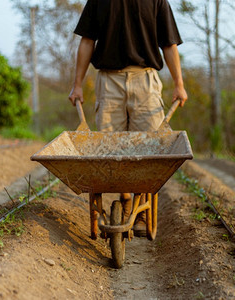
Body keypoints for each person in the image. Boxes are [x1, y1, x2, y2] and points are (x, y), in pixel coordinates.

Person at [69, 0, 188, 237]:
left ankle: (141, 208)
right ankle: (125, 201)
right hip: (108, 81)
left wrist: (179, 84)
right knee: (110, 148)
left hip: (145, 80)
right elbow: (87, 41)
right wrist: (77, 85)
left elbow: (169, 43)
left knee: (149, 148)